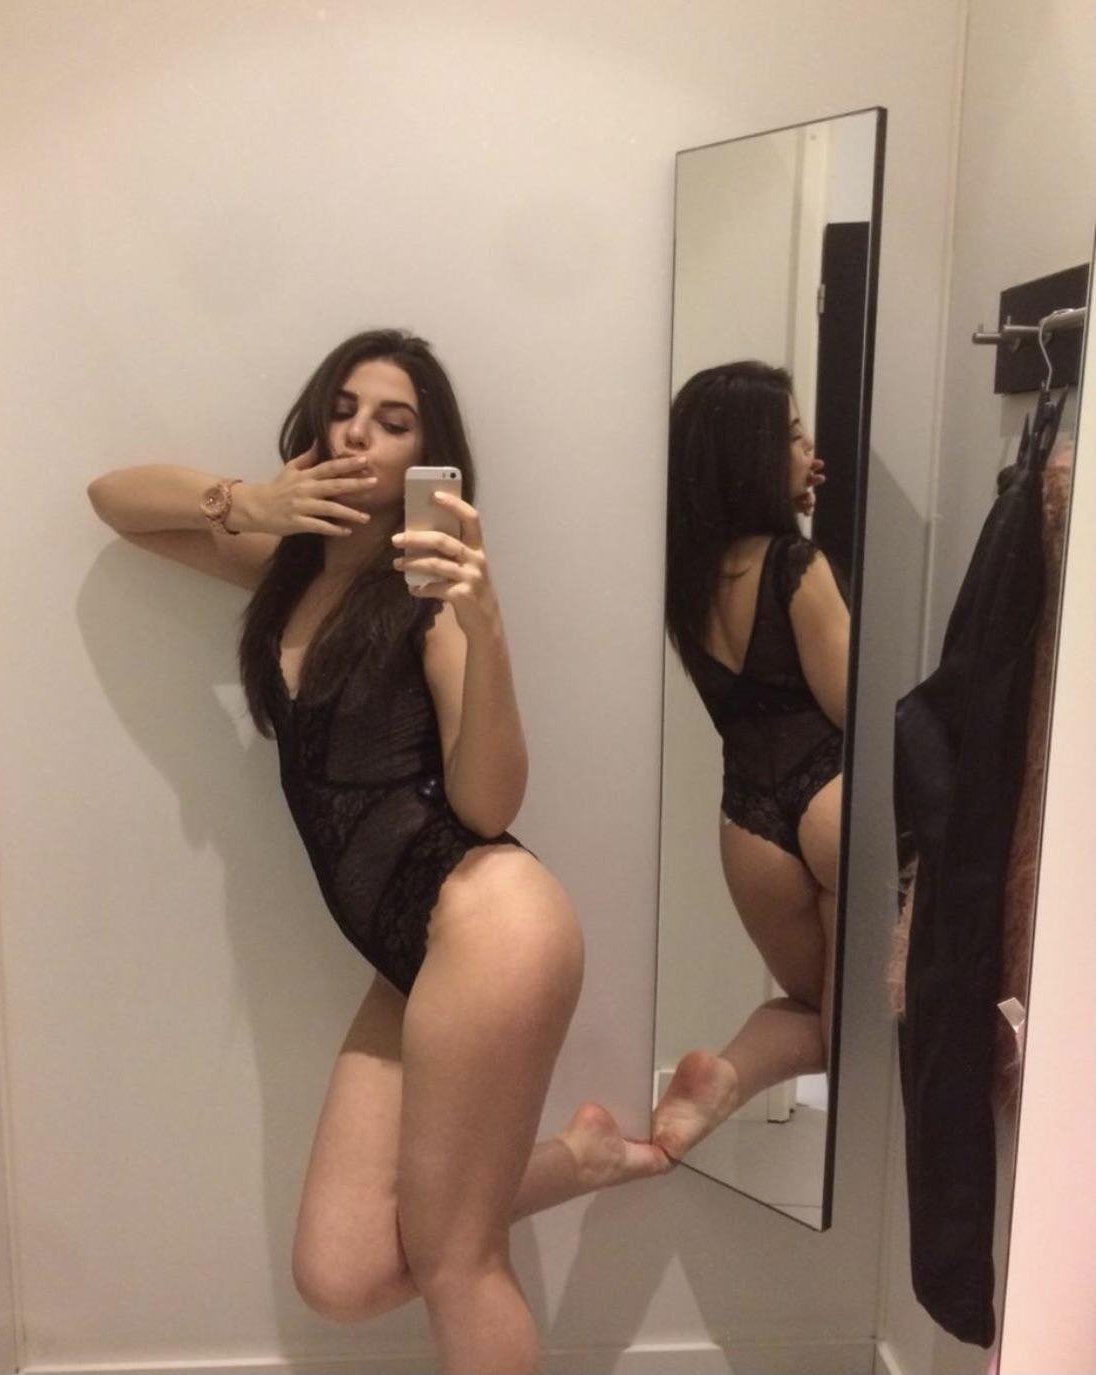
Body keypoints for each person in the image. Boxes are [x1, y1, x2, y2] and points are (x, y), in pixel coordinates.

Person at [88, 328, 669, 1375]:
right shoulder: (286, 568)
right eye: (345, 407)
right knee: (343, 1272)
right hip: (411, 949)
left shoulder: (425, 594)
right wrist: (246, 503)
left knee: (458, 1264)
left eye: (393, 422)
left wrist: (485, 629)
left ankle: (522, 1191)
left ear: (425, 459)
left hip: (489, 920)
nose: (359, 432)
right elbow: (114, 501)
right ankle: (576, 1157)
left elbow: (487, 805)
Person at [651, 359, 847, 1162]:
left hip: (747, 826)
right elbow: (850, 707)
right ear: (753, 455)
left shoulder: (684, 578)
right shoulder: (795, 566)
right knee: (855, 1024)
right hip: (830, 795)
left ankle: (725, 1076)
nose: (809, 447)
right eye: (792, 435)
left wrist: (793, 501)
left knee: (821, 1012)